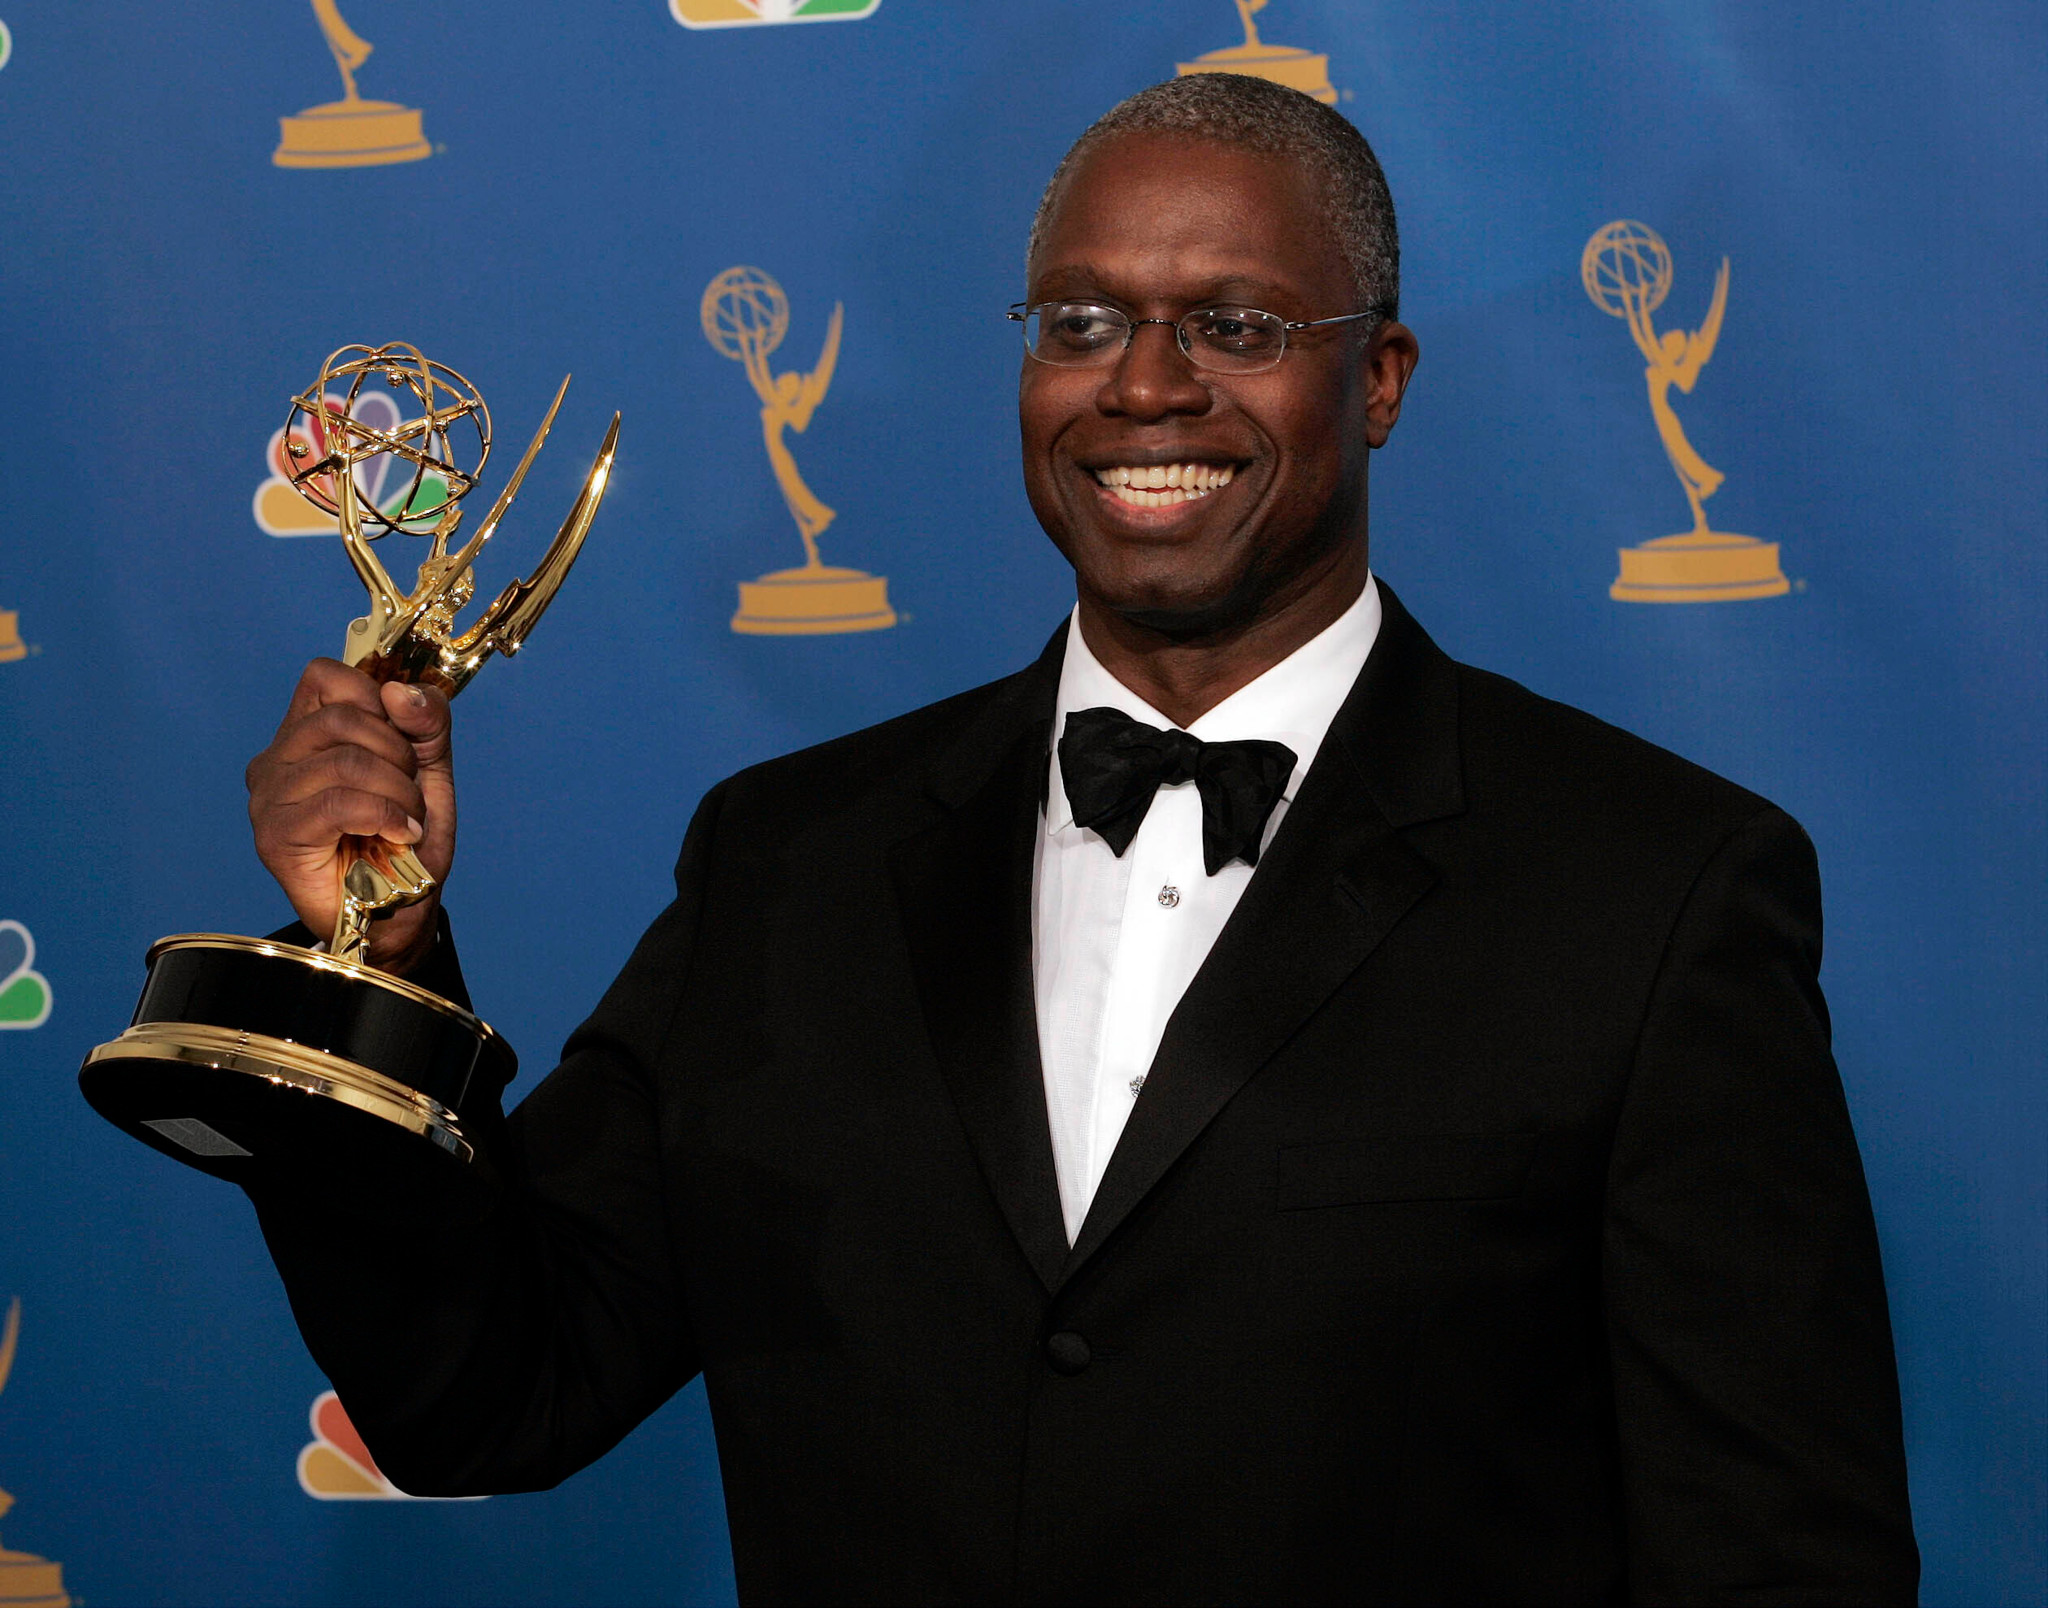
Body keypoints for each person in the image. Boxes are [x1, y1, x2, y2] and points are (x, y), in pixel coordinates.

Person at [241, 75, 1918, 1605]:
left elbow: (1782, 1560)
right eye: (1084, 318)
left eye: (1238, 323)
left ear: (1381, 379)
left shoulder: (1655, 890)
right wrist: (374, 960)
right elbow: (492, 1393)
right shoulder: (786, 862)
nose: (1145, 384)